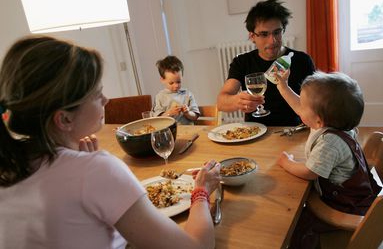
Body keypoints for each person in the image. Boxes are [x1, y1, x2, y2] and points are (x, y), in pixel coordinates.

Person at [0, 35, 221, 249]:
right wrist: (201, 191)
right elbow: (197, 246)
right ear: (64, 118)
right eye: (97, 94)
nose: (106, 101)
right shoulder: (96, 170)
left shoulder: (7, 165)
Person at [275, 71, 381, 248]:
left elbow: (310, 172)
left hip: (344, 204)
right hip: (354, 193)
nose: (299, 107)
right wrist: (283, 86)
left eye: (303, 105)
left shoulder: (329, 142)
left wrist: (287, 163)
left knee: (295, 225)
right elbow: (299, 108)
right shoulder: (337, 124)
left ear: (318, 121)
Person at [217, 0, 315, 126]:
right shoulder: (242, 62)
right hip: (255, 132)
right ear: (252, 37)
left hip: (294, 130)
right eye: (264, 34)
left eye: (277, 32)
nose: (272, 40)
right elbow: (221, 102)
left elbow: (315, 103)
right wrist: (237, 101)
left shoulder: (302, 60)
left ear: (283, 30)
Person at [153, 55, 200, 125]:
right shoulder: (160, 97)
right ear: (162, 80)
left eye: (178, 82)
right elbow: (158, 120)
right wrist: (169, 113)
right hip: (170, 133)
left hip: (189, 131)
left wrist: (187, 113)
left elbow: (195, 116)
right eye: (171, 83)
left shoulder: (187, 94)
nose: (176, 86)